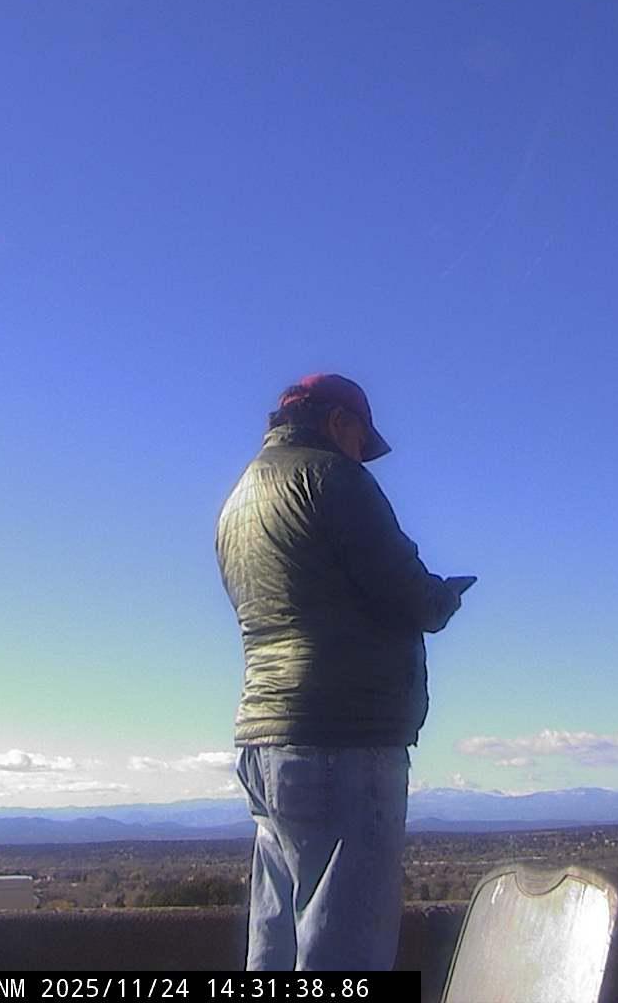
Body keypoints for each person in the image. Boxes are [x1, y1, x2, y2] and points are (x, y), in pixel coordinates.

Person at [215, 372, 472, 971]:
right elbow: (410, 593)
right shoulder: (334, 478)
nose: (362, 455)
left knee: (276, 944)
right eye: (361, 440)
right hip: (343, 740)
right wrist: (445, 596)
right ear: (338, 423)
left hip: (265, 741)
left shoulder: (239, 499)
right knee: (346, 951)